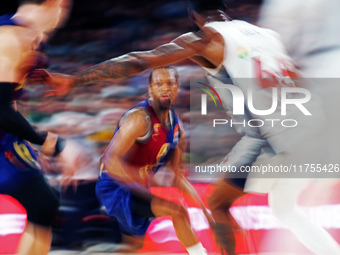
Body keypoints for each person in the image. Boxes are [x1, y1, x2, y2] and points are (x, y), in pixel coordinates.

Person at [32, 0, 339, 254]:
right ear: (227, 9)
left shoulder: (207, 38)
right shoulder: (267, 34)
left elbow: (140, 61)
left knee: (218, 204)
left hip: (279, 135)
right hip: (312, 125)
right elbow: (299, 80)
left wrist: (74, 79)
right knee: (284, 207)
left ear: (195, 17)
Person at [96, 66, 211, 255]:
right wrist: (143, 179)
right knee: (178, 212)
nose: (165, 88)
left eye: (170, 83)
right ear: (150, 89)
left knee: (133, 247)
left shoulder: (177, 127)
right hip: (115, 187)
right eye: (159, 84)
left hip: (138, 188)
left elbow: (177, 177)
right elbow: (109, 161)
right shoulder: (140, 119)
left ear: (177, 87)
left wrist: (206, 213)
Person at [0, 1, 85, 255]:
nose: (64, 15)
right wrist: (54, 144)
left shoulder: (31, 37)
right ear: (54, 3)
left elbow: (8, 92)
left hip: (4, 131)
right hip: (3, 123)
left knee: (44, 204)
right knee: (42, 203)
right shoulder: (10, 38)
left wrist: (42, 76)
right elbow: (0, 108)